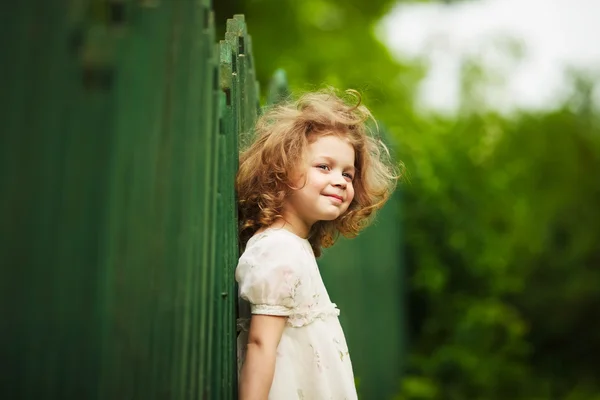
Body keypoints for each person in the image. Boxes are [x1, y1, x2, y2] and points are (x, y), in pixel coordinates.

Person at [235, 88, 399, 400]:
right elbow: (261, 345)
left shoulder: (294, 245)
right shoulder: (278, 250)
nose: (340, 180)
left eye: (348, 174)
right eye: (324, 166)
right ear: (281, 170)